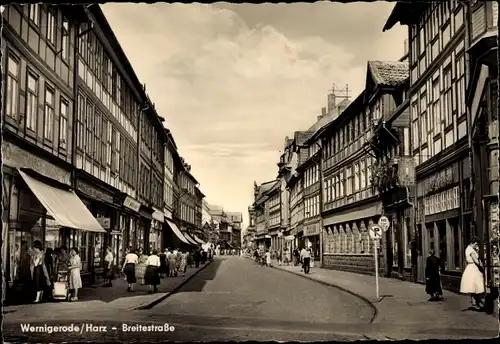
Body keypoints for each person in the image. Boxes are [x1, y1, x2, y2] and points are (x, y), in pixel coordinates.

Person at [460, 237, 485, 310]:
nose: (476, 245)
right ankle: (477, 303)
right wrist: (483, 267)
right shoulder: (471, 250)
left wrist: (476, 250)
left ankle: (475, 303)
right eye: (476, 244)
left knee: (473, 287)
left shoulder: (468, 249)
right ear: (472, 243)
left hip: (470, 267)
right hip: (474, 268)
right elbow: (476, 260)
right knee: (477, 286)